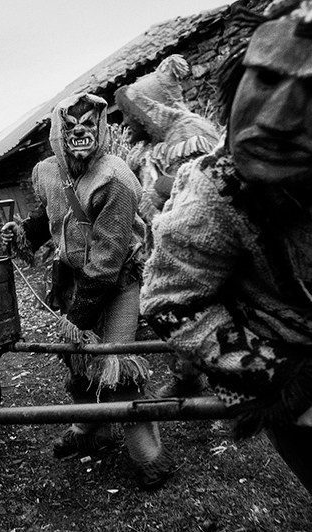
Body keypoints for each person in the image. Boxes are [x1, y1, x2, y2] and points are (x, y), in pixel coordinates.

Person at [141, 1, 312, 529]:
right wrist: (287, 382)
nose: (277, 118)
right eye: (262, 78)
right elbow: (172, 300)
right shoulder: (220, 191)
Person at [1, 92, 173, 490]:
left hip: (117, 281)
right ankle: (89, 430)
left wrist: (76, 318)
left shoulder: (116, 179)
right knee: (78, 364)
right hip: (72, 278)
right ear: (58, 132)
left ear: (100, 127)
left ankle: (149, 458)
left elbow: (108, 260)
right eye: (71, 125)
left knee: (116, 367)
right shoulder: (46, 171)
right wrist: (24, 232)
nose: (80, 131)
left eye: (88, 123)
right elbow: (49, 217)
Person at [114, 55, 220, 398]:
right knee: (176, 311)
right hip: (168, 243)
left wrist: (159, 192)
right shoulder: (152, 144)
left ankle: (212, 380)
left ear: (152, 108)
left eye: (132, 115)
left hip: (199, 244)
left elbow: (201, 189)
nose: (128, 122)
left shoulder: (191, 133)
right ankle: (189, 377)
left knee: (194, 308)